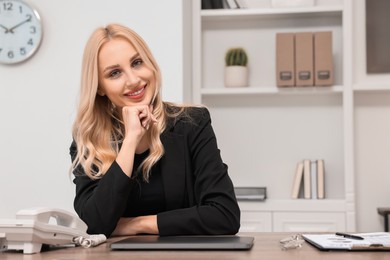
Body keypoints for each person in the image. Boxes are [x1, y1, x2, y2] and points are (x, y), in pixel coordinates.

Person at [70, 23, 240, 237]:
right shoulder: (88, 140)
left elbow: (225, 215)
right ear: (100, 88)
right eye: (114, 73)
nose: (133, 80)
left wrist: (137, 224)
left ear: (150, 64)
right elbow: (95, 224)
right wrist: (130, 141)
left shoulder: (192, 123)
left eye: (137, 62)